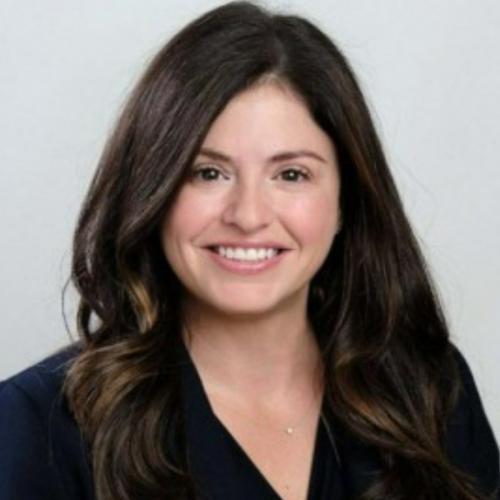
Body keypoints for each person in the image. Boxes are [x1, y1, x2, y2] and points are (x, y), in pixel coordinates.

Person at [0, 1, 498, 499]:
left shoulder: (426, 391)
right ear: (153, 192)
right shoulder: (39, 428)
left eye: (291, 174)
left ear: (346, 201)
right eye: (208, 173)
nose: (248, 215)